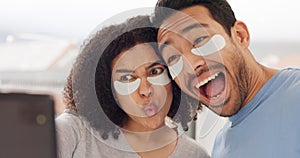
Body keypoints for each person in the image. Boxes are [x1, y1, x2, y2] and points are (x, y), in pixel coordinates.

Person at [152, 0, 300, 157]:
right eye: (173, 57)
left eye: (200, 40)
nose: (191, 65)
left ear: (240, 36)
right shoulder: (221, 146)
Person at [55, 15, 209, 158]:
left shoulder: (195, 154)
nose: (145, 90)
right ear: (109, 90)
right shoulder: (74, 132)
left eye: (155, 71)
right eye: (127, 78)